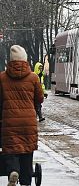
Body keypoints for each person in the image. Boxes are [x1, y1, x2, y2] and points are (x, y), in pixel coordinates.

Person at [0, 45, 44, 186]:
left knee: (11, 149)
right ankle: (25, 181)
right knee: (26, 150)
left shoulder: (2, 77)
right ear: (25, 60)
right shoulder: (33, 77)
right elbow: (39, 99)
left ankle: (13, 170)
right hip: (28, 122)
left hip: (9, 121)